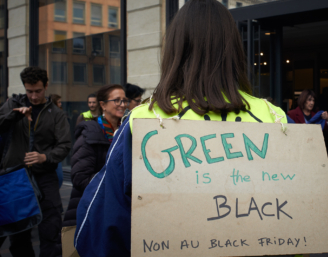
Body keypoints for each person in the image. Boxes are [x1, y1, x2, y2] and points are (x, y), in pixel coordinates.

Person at [74, 1, 287, 256]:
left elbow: (103, 228)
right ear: (233, 49)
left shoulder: (145, 119)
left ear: (175, 49)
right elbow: (299, 218)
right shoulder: (275, 118)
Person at [0, 66, 71, 257]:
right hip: (16, 176)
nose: (33, 96)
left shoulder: (56, 114)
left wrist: (44, 157)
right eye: (29, 91)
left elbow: (65, 145)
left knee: (51, 225)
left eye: (38, 91)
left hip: (45, 175)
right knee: (19, 229)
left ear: (46, 86)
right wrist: (14, 115)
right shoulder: (12, 105)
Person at [59, 85, 128, 256]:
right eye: (116, 100)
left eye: (124, 100)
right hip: (88, 210)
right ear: (103, 105)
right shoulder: (90, 132)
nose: (122, 104)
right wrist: (114, 185)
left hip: (112, 210)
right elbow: (80, 177)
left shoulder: (124, 132)